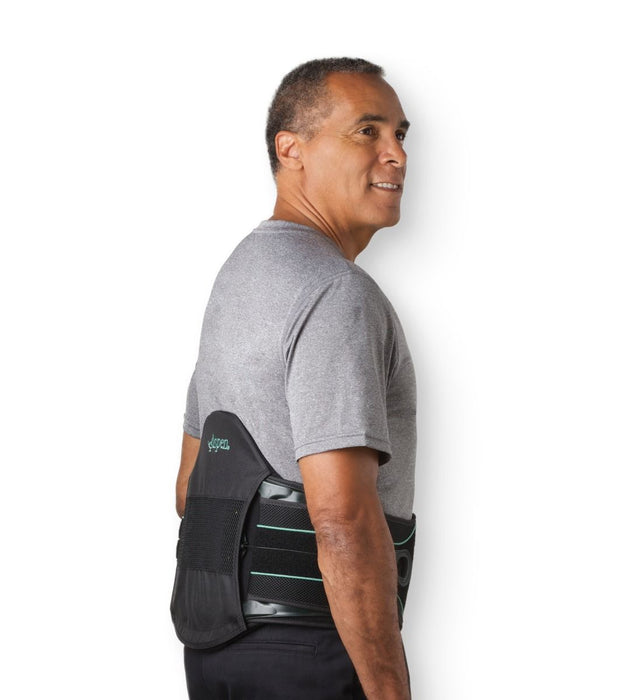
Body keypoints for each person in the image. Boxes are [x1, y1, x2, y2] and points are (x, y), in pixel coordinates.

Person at [174, 57, 417, 700]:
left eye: (400, 134)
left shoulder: (237, 280)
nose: (396, 154)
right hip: (313, 652)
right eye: (367, 131)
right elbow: (340, 518)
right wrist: (388, 689)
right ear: (291, 150)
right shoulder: (335, 292)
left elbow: (190, 490)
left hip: (218, 653)